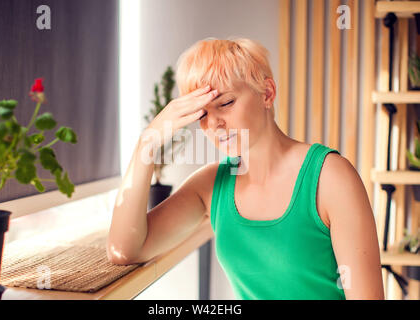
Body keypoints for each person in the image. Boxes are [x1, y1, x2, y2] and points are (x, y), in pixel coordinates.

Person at [106, 37, 385, 300]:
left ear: (267, 93)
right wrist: (148, 140)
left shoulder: (331, 178)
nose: (214, 124)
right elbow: (124, 249)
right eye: (202, 114)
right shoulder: (212, 185)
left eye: (226, 103)